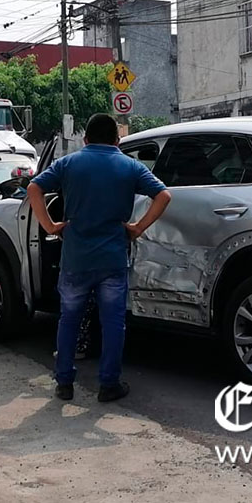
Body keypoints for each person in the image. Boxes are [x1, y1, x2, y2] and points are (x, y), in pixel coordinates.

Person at [27, 114, 172, 403]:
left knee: (69, 320)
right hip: (112, 259)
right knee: (113, 323)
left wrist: (50, 226)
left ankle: (64, 382)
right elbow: (163, 195)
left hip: (75, 259)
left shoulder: (69, 163)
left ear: (86, 139)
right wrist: (137, 228)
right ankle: (109, 384)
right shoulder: (131, 166)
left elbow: (34, 188)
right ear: (117, 140)